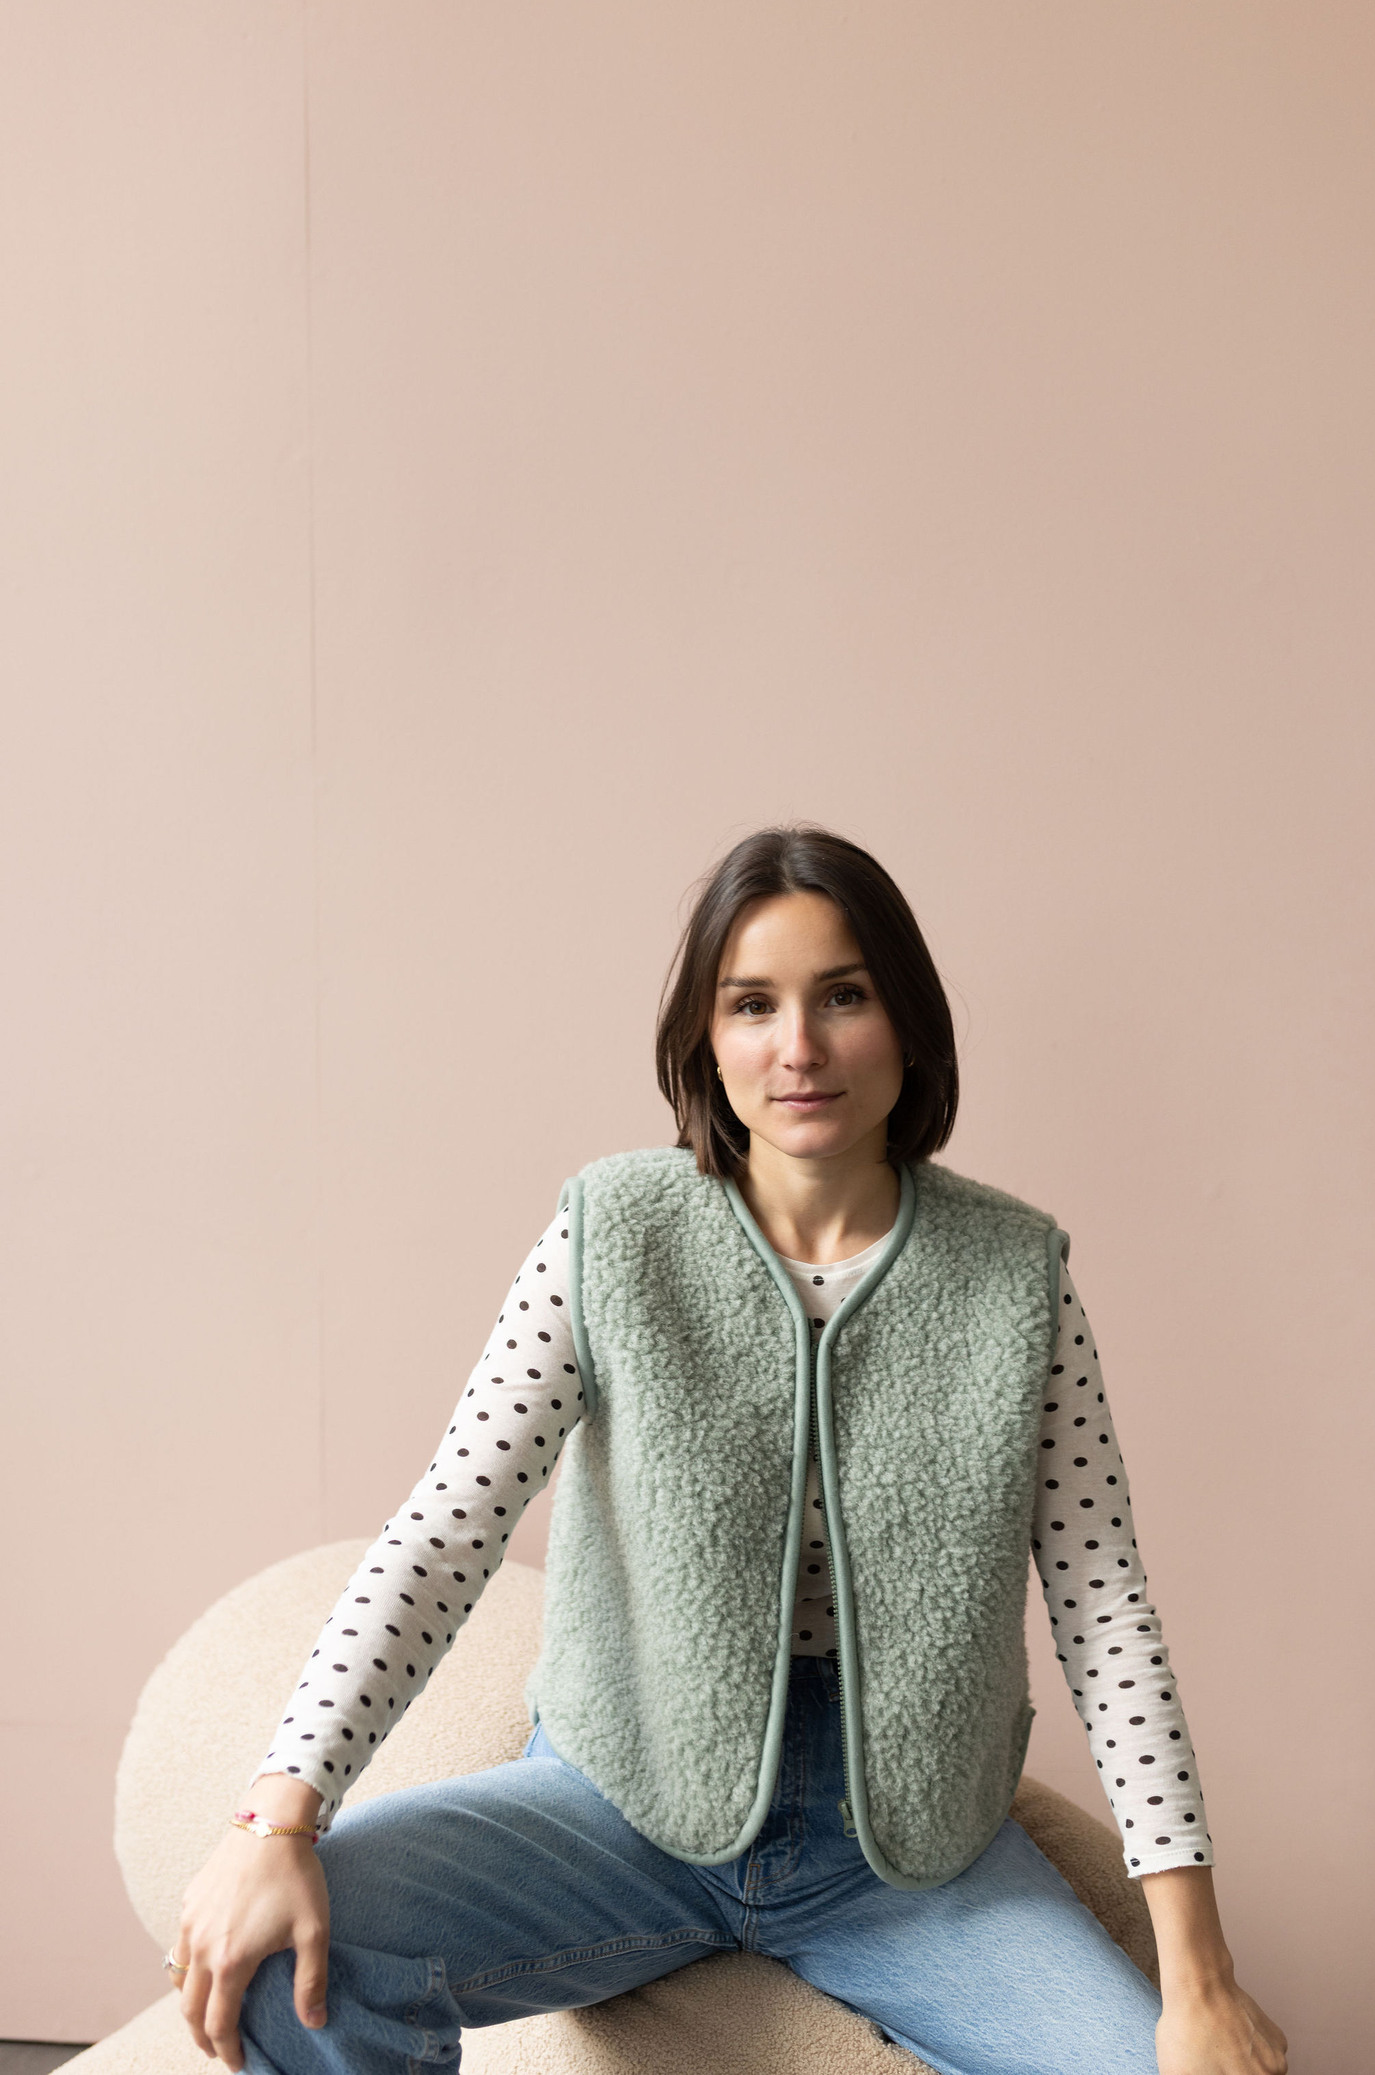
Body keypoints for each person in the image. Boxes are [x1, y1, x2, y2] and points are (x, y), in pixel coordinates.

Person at [169, 825, 1287, 2075]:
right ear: (704, 1035)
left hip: (910, 1854)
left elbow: (1103, 1607)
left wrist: (1199, 1975)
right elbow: (446, 1527)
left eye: (842, 995)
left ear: (906, 1021)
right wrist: (278, 1812)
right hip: (619, 1802)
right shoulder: (610, 1233)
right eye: (752, 1003)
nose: (797, 1046)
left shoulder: (1014, 1277)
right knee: (281, 1958)